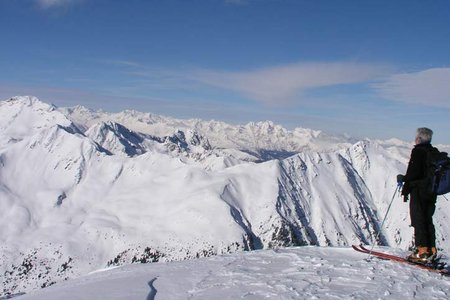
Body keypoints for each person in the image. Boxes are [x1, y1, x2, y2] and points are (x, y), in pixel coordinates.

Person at [397, 127, 437, 262]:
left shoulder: (418, 151)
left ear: (419, 138)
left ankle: (422, 252)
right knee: (427, 219)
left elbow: (414, 173)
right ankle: (431, 249)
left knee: (418, 220)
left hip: (419, 190)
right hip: (432, 192)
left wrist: (404, 181)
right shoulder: (433, 152)